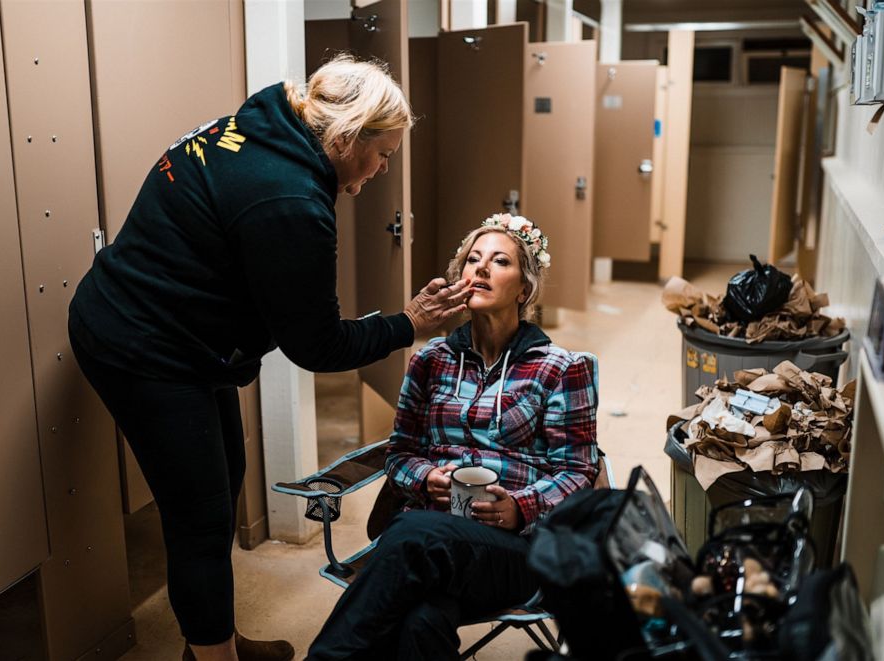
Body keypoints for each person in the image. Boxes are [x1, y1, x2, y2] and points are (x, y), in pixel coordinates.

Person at [67, 55, 472, 661]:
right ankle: (212, 657)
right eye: (382, 152)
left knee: (226, 473)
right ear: (344, 138)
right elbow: (318, 346)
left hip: (185, 336)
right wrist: (408, 325)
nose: (385, 168)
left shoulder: (266, 120)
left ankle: (213, 640)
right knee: (200, 517)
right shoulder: (289, 200)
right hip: (141, 344)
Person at [306, 214, 601, 661]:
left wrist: (519, 508)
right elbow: (400, 453)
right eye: (472, 259)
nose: (480, 268)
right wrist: (426, 479)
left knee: (409, 535)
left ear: (524, 290)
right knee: (421, 619)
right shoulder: (431, 360)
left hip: (517, 550)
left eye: (499, 261)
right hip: (435, 536)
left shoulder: (560, 367)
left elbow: (578, 470)